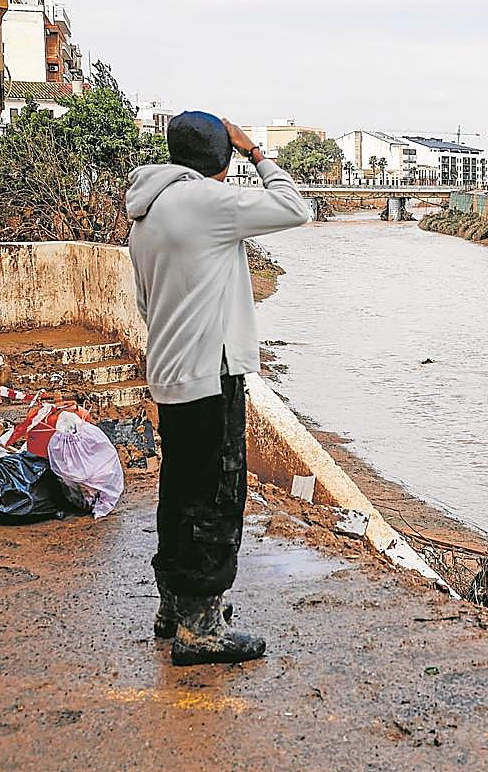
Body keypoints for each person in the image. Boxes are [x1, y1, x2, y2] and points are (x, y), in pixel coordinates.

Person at [125, 111, 312, 666]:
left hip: (170, 370)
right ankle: (201, 629)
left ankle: (173, 608)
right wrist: (256, 152)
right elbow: (296, 207)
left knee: (178, 490)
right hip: (212, 373)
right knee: (216, 497)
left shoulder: (147, 210)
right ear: (221, 159)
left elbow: (143, 301)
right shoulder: (206, 203)